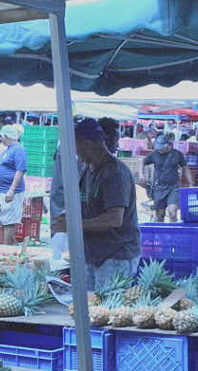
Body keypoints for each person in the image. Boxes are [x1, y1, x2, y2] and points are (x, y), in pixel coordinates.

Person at [53, 119, 141, 285]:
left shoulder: (114, 173)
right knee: (91, 306)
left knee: (106, 307)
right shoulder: (87, 170)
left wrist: (74, 224)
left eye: (76, 146)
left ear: (87, 144)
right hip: (93, 254)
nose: (76, 152)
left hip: (115, 256)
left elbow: (114, 219)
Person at [142, 133, 191, 222]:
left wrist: (190, 182)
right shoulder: (154, 155)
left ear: (168, 145)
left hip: (173, 187)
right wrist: (142, 175)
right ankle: (161, 233)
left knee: (172, 213)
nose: (159, 149)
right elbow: (143, 162)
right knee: (159, 215)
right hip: (159, 188)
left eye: (161, 147)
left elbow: (185, 167)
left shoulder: (177, 154)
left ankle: (173, 233)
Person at [0, 125, 27, 242]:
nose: (0, 139)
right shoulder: (7, 149)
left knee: (9, 221)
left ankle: (6, 247)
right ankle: (1, 246)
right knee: (0, 220)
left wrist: (11, 190)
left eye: (1, 136)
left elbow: (20, 171)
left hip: (8, 191)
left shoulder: (18, 149)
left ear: (6, 136)